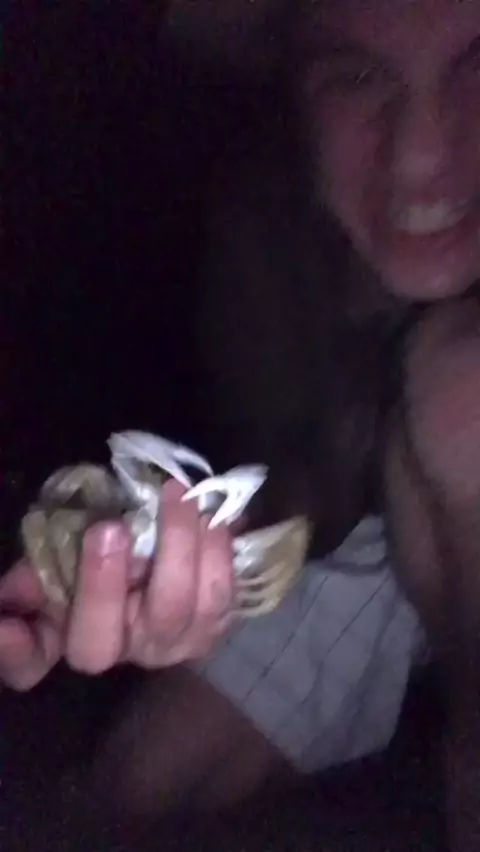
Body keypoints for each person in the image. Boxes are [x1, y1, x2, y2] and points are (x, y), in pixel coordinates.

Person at [2, 1, 480, 849]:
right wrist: (137, 546)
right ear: (297, 91)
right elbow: (302, 491)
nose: (421, 155)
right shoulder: (267, 235)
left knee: (456, 398)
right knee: (135, 783)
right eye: (357, 76)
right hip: (379, 517)